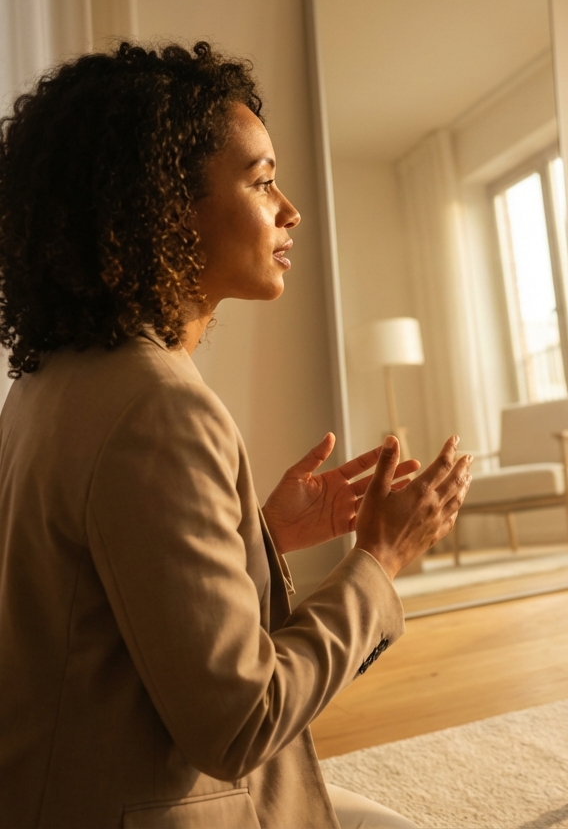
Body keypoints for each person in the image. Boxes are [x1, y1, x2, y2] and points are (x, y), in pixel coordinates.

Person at [0, 42, 469, 828]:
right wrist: (379, 562)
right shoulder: (159, 409)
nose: (289, 209)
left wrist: (260, 535)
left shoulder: (51, 380)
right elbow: (239, 724)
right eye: (259, 181)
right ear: (161, 206)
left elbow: (97, 594)